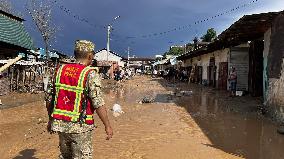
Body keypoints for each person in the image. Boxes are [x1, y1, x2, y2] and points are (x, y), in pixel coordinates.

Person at [45, 40, 113, 159]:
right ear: (90, 56)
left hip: (60, 125)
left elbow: (49, 99)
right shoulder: (90, 74)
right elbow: (98, 103)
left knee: (65, 156)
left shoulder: (59, 70)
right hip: (81, 127)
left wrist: (50, 120)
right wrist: (107, 125)